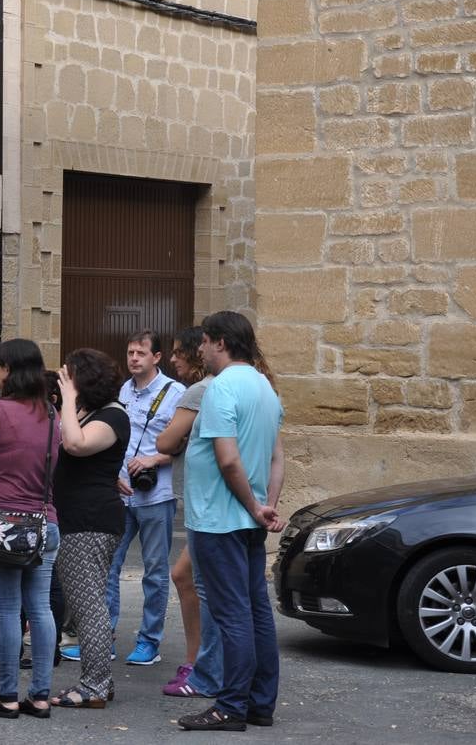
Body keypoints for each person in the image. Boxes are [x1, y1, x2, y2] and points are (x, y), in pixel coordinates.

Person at [177, 311, 285, 732]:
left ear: (220, 342)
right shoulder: (264, 387)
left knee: (233, 615)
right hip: (247, 519)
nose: (200, 349)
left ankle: (231, 707)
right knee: (256, 611)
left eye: (203, 341)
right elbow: (277, 457)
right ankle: (259, 703)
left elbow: (226, 458)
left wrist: (255, 506)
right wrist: (265, 505)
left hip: (218, 520)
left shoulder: (221, 389)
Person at [0, 339, 61, 719]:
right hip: (45, 520)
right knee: (40, 608)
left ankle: (7, 696)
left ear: (7, 369)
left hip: (5, 523)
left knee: (8, 611)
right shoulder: (52, 412)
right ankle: (40, 696)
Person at [49, 349, 129, 709]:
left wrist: (67, 399)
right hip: (79, 520)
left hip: (91, 522)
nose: (65, 380)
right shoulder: (92, 413)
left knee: (88, 606)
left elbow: (75, 444)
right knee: (85, 604)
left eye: (71, 375)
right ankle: (99, 682)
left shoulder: (113, 415)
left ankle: (95, 686)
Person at [101, 331, 184, 668]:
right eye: (130, 352)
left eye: (141, 353)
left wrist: (154, 460)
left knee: (155, 572)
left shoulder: (176, 394)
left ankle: (150, 641)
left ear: (157, 358)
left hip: (156, 495)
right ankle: (102, 636)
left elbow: (186, 443)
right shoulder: (122, 391)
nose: (134, 358)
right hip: (121, 495)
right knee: (108, 566)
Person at [155, 327, 221, 699]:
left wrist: (175, 438)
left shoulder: (200, 391)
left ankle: (202, 665)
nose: (175, 359)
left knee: (199, 583)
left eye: (180, 353)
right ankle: (199, 659)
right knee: (187, 578)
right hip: (211, 504)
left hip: (209, 507)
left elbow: (165, 440)